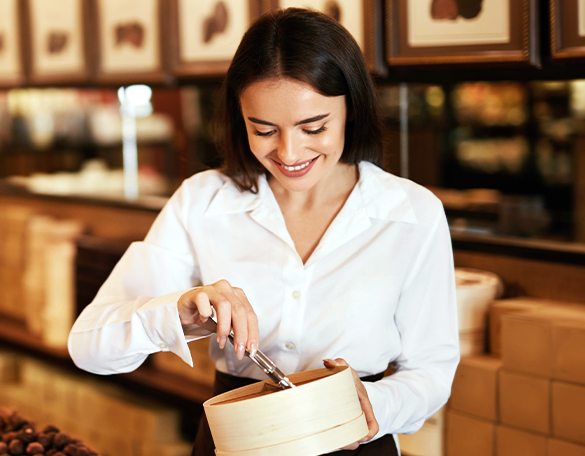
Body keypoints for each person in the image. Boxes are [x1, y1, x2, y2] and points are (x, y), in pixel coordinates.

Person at [68, 8, 459, 455]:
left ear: (353, 108)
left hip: (355, 442)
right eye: (264, 129)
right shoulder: (202, 200)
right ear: (240, 119)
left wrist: (373, 405)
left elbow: (432, 369)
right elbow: (88, 346)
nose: (290, 152)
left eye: (314, 127)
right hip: (234, 440)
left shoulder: (411, 212)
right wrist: (178, 312)